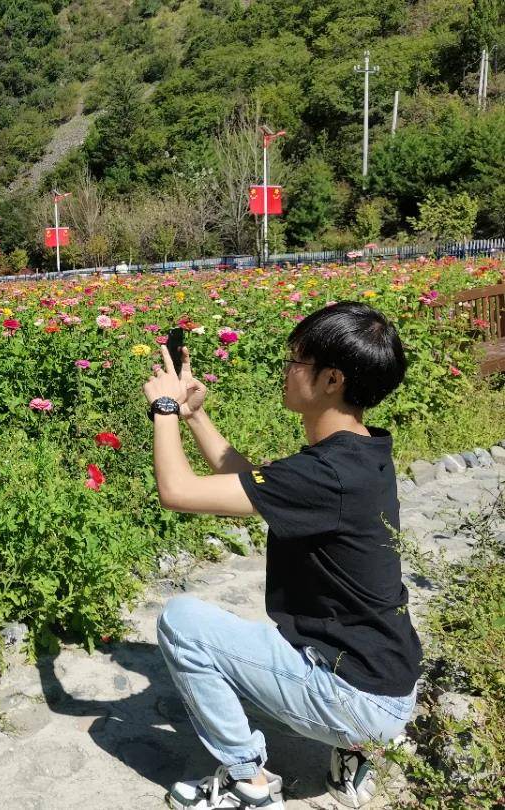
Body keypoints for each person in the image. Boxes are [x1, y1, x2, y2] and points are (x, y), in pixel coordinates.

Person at [142, 302, 421, 810]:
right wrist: (194, 416)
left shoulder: (326, 474)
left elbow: (177, 491)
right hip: (387, 680)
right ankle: (354, 749)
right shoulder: (360, 453)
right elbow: (252, 482)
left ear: (332, 378)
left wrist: (161, 410)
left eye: (297, 361)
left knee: (182, 621)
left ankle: (247, 782)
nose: (287, 371)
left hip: (360, 699)